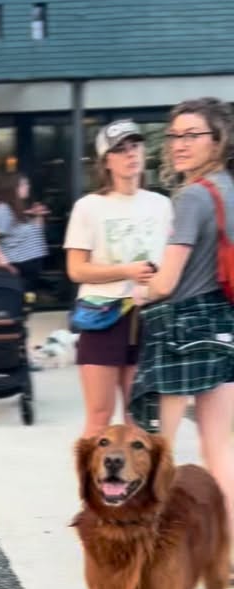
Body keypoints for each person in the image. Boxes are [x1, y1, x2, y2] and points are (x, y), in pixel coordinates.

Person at [129, 97, 234, 563]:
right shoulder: (229, 188)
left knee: (157, 446)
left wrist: (141, 289)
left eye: (192, 135)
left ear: (219, 140)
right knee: (220, 447)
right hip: (223, 321)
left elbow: (168, 281)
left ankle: (154, 548)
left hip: (181, 328)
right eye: (174, 135)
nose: (179, 144)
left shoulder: (192, 196)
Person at [64, 120, 173, 437]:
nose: (131, 155)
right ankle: (88, 485)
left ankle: (136, 487)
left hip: (148, 315)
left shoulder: (161, 205)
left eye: (136, 146)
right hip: (103, 316)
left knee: (137, 416)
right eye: (121, 149)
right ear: (106, 161)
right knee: (99, 415)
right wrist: (126, 270)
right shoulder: (89, 207)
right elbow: (76, 269)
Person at [0, 171, 49, 294]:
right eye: (24, 184)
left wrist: (38, 216)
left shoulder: (18, 209)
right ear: (13, 188)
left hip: (27, 273)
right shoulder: (0, 210)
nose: (28, 187)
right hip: (13, 272)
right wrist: (4, 263)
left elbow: (35, 234)